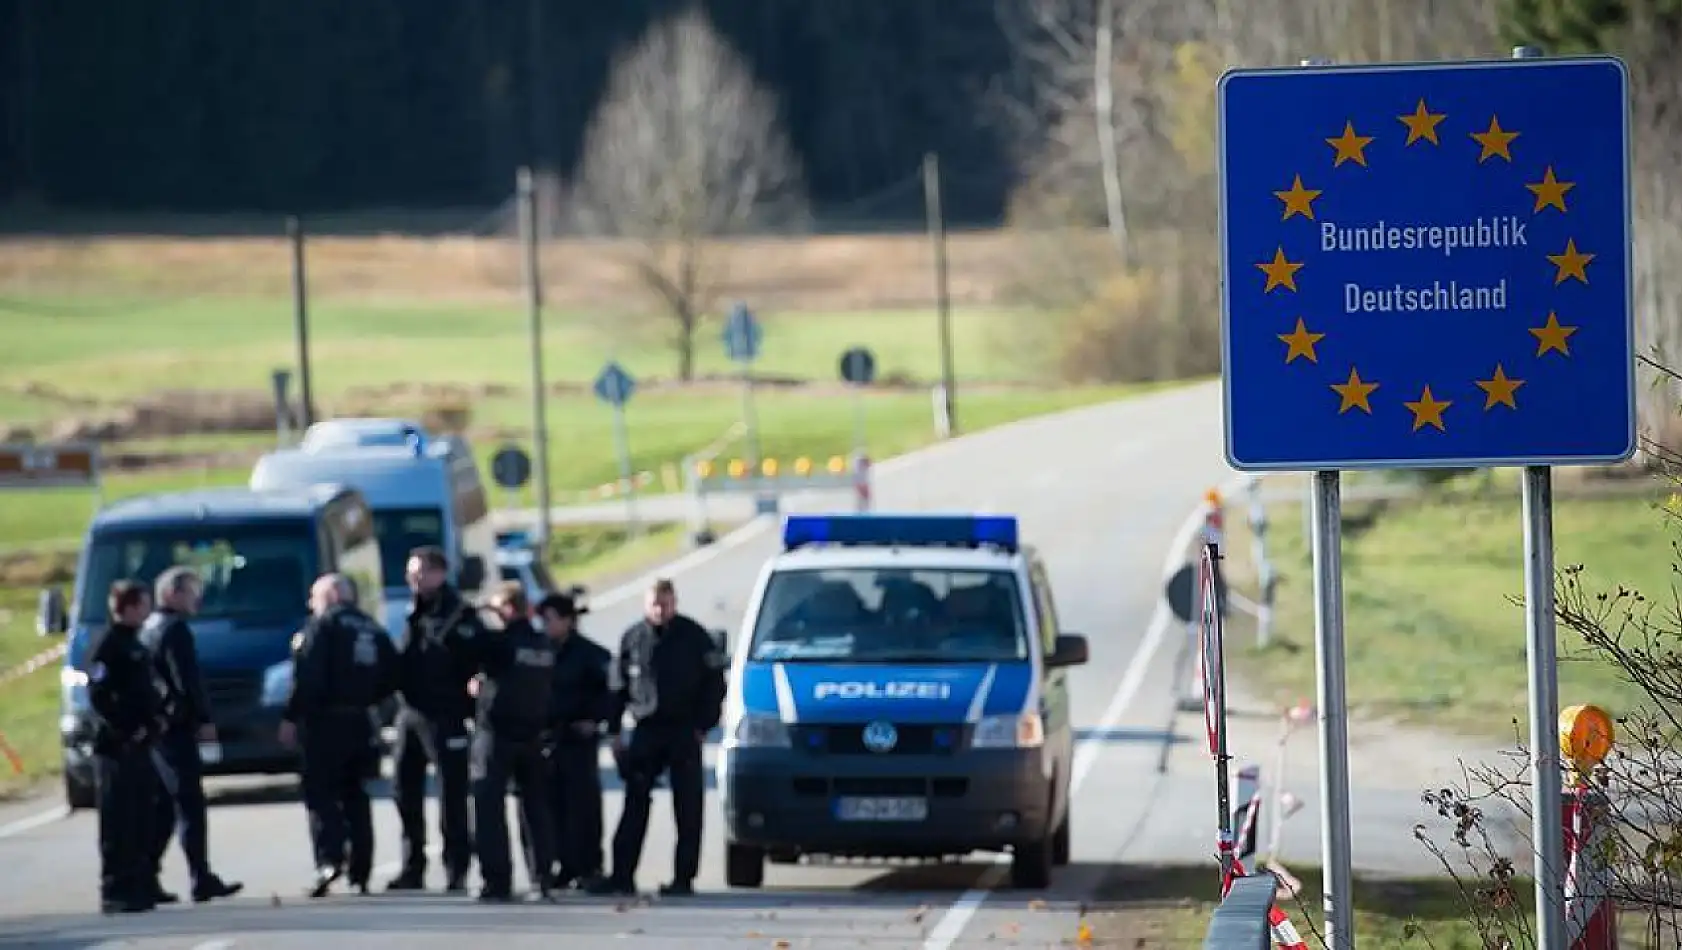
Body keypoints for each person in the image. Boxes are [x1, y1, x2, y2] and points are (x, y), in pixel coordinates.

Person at [584, 579, 727, 897]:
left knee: (687, 808)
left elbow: (715, 685)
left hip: (684, 730)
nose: (660, 610)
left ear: (675, 603)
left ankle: (683, 879)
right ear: (645, 605)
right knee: (635, 804)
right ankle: (622, 875)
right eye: (654, 604)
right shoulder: (633, 638)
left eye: (665, 603)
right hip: (646, 729)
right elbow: (617, 689)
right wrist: (614, 732)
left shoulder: (694, 637)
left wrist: (704, 725)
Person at [279, 573, 398, 899]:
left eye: (314, 597)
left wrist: (291, 716)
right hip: (361, 722)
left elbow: (307, 676)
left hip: (324, 724)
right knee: (356, 797)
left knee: (321, 794)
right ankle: (361, 870)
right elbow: (392, 675)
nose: (310, 605)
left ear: (330, 596)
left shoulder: (322, 627)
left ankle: (329, 861)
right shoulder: (373, 628)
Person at [140, 566, 242, 904]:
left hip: (156, 728)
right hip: (175, 728)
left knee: (164, 806)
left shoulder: (148, 628)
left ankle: (146, 872)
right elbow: (187, 680)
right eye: (190, 591)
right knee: (189, 804)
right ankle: (200, 876)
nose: (197, 598)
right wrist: (203, 718)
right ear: (171, 594)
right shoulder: (175, 630)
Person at [388, 545, 486, 892]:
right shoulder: (413, 611)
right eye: (411, 574)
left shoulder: (460, 615)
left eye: (420, 573)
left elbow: (479, 660)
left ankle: (456, 866)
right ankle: (412, 866)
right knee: (403, 791)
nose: (413, 580)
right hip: (411, 714)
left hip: (446, 715)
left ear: (439, 574)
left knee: (452, 795)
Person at [470, 583, 558, 902]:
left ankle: (497, 881)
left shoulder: (501, 643)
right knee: (535, 809)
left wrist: (479, 613)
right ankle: (542, 878)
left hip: (497, 734)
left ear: (507, 609)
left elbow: (467, 648)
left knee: (488, 807)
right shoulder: (543, 644)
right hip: (533, 734)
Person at [87, 581, 169, 914]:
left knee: (149, 813)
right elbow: (99, 696)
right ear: (130, 607)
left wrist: (156, 719)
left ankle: (142, 882)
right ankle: (116, 889)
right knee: (119, 820)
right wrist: (127, 729)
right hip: (117, 747)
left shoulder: (135, 643)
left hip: (142, 745)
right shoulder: (108, 645)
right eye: (144, 604)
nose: (148, 611)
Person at [534, 590, 611, 890]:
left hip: (577, 740)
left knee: (583, 807)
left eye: (550, 619)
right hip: (546, 738)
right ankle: (562, 865)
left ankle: (589, 866)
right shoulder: (539, 650)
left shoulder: (590, 654)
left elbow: (610, 692)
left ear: (567, 620)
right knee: (551, 805)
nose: (544, 625)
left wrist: (594, 720)